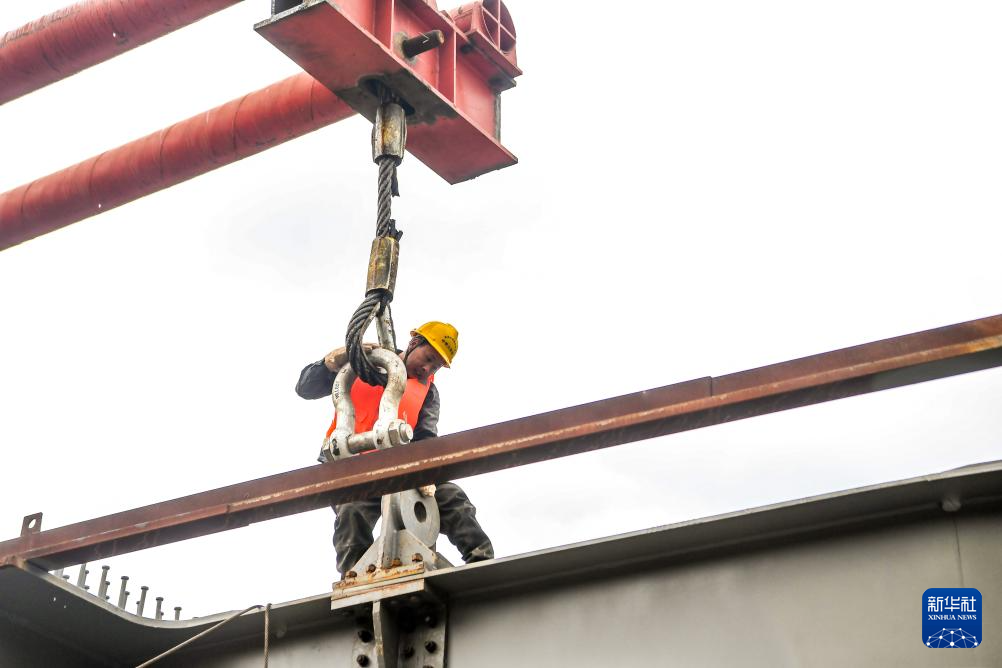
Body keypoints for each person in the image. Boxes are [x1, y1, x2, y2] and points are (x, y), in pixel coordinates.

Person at [296, 321, 494, 575]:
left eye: (435, 366)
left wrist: (426, 473)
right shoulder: (365, 363)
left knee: (452, 498)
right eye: (428, 358)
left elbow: (425, 438)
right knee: (352, 512)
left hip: (399, 472)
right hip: (351, 469)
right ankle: (354, 578)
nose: (427, 368)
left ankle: (482, 564)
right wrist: (330, 363)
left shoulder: (428, 393)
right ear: (414, 343)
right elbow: (305, 388)